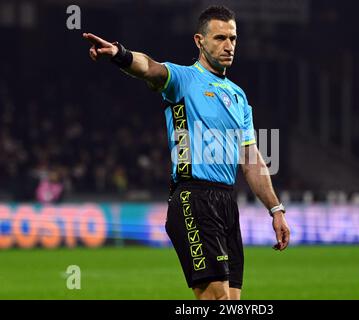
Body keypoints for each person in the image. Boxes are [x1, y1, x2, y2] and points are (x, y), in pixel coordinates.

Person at [83, 5, 290, 300]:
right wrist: (120, 54)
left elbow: (251, 159)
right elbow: (149, 67)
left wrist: (276, 210)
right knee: (216, 299)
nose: (228, 45)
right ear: (199, 41)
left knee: (231, 301)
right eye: (219, 38)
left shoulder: (238, 96)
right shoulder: (183, 80)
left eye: (232, 38)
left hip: (226, 203)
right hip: (194, 198)